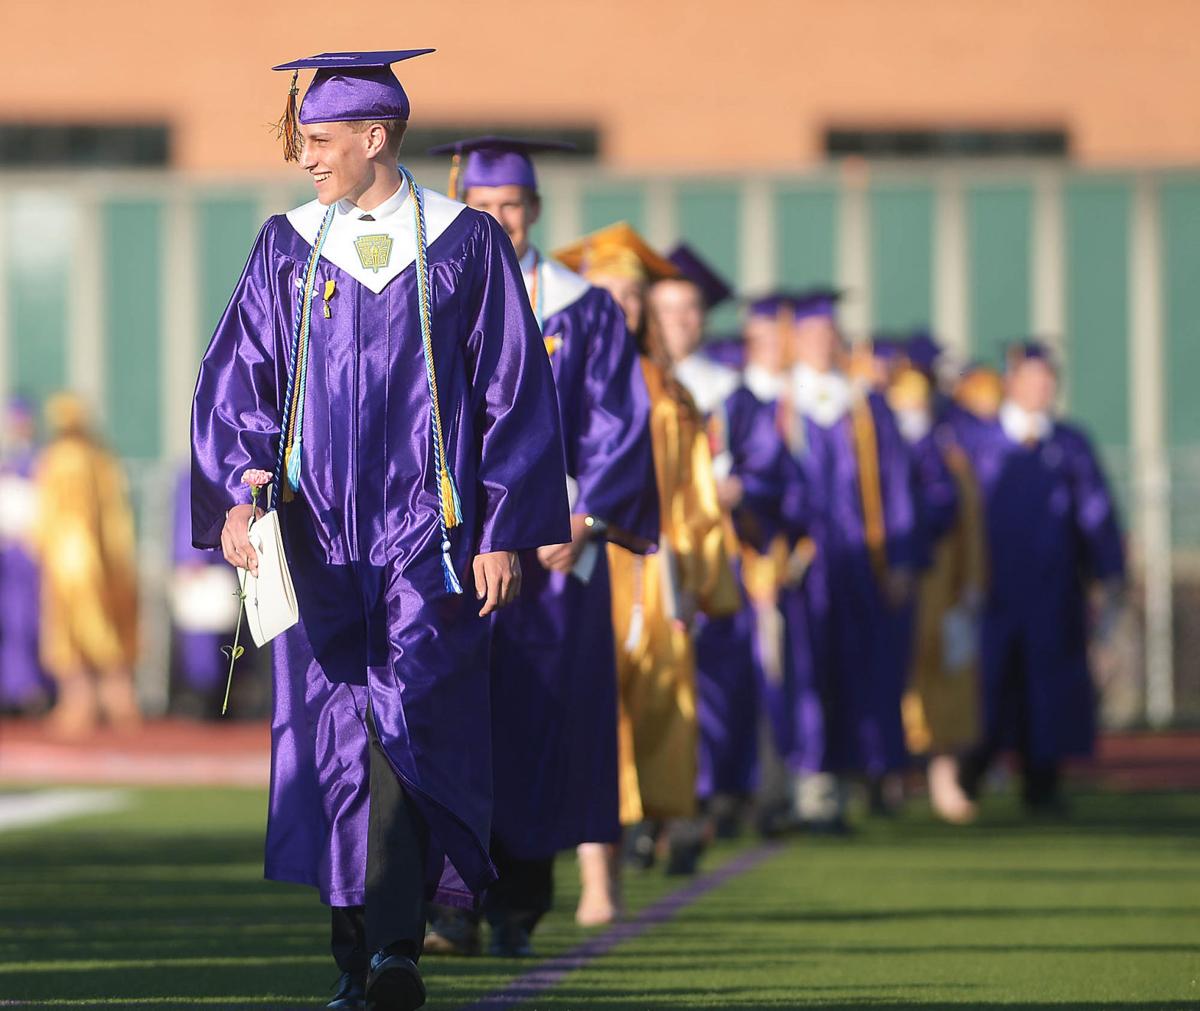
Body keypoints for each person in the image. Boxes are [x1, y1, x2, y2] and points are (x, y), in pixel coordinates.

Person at [191, 53, 570, 1011]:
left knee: (410, 731)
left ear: (375, 137)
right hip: (315, 538)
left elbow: (513, 393)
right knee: (333, 740)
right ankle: (355, 953)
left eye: (320, 142)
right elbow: (238, 380)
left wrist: (504, 528)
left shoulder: (465, 243)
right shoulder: (287, 245)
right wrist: (241, 489)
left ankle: (396, 950)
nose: (307, 160)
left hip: (426, 539)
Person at [423, 140, 657, 953]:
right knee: (455, 717)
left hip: (554, 561)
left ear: (538, 212)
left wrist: (587, 521)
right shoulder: (431, 297)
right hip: (456, 547)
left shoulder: (581, 310)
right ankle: (451, 899)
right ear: (462, 207)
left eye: (514, 205)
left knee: (543, 722)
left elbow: (619, 428)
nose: (501, 220)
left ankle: (520, 899)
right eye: (484, 205)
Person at [554, 221, 730, 919]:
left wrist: (695, 576)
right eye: (608, 291)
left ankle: (617, 860)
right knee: (588, 719)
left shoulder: (668, 391)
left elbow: (693, 493)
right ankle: (595, 872)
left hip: (647, 568)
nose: (622, 306)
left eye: (634, 294)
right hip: (572, 563)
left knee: (645, 713)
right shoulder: (551, 363)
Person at [650, 251, 802, 842]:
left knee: (716, 683)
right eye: (668, 310)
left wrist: (743, 487)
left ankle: (706, 799)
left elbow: (771, 468)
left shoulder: (729, 392)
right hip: (646, 555)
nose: (682, 321)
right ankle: (650, 814)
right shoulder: (631, 381)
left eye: (691, 310)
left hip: (718, 560)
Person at [956, 341, 1124, 813]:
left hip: (1053, 589)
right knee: (991, 683)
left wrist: (1108, 570)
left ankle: (1042, 782)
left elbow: (1094, 511)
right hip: (990, 588)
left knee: (1048, 685)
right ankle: (971, 771)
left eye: (1049, 378)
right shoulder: (979, 441)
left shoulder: (1069, 443)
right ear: (1012, 380)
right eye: (1033, 377)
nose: (1043, 387)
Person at [777, 290, 919, 832]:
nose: (820, 342)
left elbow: (898, 485)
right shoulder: (781, 405)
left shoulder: (864, 404)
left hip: (862, 561)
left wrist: (901, 557)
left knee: (856, 668)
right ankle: (810, 785)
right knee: (805, 671)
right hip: (802, 563)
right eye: (810, 333)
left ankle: (848, 782)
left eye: (828, 334)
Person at [887, 364, 985, 824]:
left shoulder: (952, 462)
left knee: (945, 681)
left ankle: (944, 778)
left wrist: (971, 585)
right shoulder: (877, 455)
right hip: (891, 587)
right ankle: (886, 778)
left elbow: (969, 531)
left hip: (941, 588)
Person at [34, 393, 140, 737]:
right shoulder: (101, 458)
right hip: (104, 557)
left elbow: (50, 515)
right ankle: (117, 699)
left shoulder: (60, 459)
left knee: (72, 629)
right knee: (105, 623)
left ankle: (81, 701)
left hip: (71, 557)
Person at [169, 466, 241, 717]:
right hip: (203, 564)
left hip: (220, 563)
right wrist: (190, 555)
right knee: (200, 635)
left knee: (219, 633)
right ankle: (203, 693)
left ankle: (218, 695)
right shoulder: (191, 473)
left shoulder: (223, 470)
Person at [0, 396, 50, 715]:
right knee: (10, 625)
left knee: (32, 623)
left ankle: (32, 690)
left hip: (32, 552)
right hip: (7, 555)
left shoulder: (41, 462)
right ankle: (12, 689)